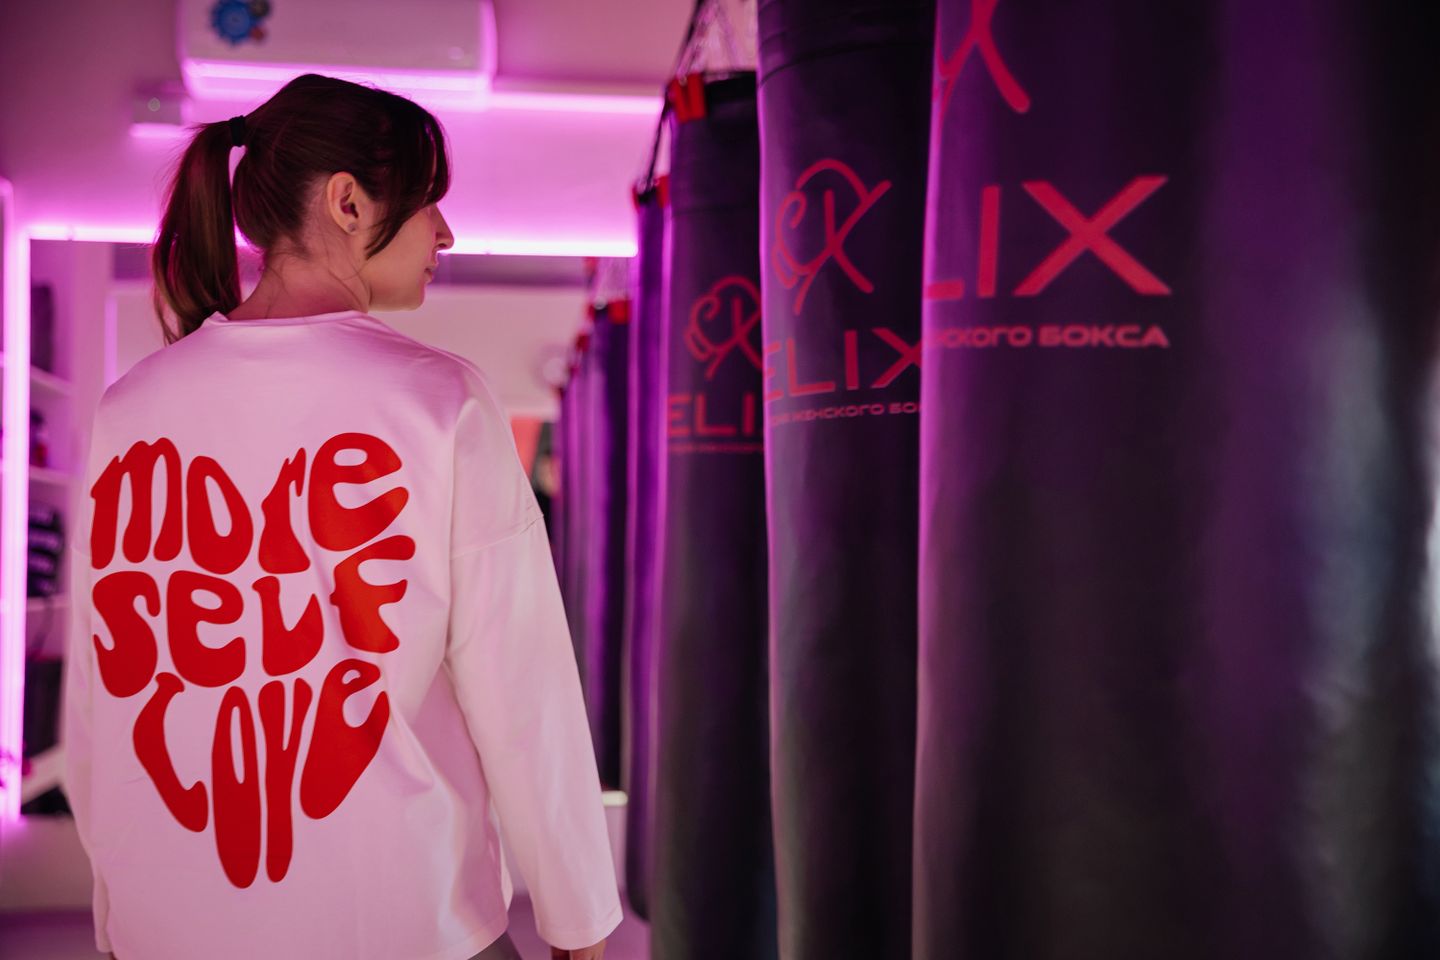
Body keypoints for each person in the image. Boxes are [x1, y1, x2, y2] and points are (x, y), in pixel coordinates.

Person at [61, 74, 619, 960]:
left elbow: (103, 698)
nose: (445, 232)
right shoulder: (438, 400)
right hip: (406, 926)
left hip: (168, 929)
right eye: (429, 201)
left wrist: (116, 908)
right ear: (349, 203)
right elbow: (524, 690)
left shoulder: (128, 410)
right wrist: (579, 918)